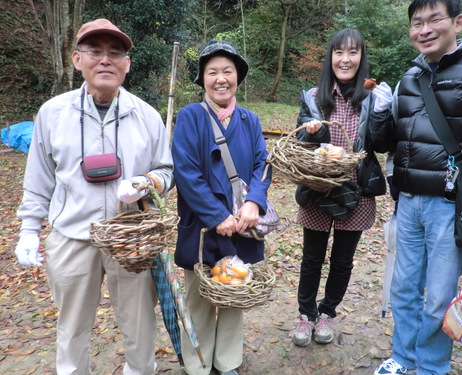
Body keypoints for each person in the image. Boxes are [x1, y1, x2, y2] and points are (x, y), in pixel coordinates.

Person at [14, 18, 174, 375]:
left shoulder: (146, 116)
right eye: (95, 52)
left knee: (139, 327)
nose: (106, 60)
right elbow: (39, 176)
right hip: (72, 237)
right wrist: (28, 229)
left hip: (131, 240)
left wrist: (146, 183)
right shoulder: (52, 114)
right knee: (71, 329)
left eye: (115, 53)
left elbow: (167, 170)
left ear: (127, 64)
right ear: (76, 59)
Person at [373, 0, 462, 374]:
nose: (424, 29)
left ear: (458, 22)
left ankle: (431, 366)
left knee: (439, 297)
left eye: (434, 20)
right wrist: (381, 112)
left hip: (451, 202)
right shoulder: (409, 77)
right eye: (416, 23)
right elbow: (397, 140)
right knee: (403, 289)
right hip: (409, 202)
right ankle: (403, 356)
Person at [171, 40, 271, 375]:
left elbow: (262, 164)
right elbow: (186, 172)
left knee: (235, 294)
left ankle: (227, 362)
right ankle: (198, 365)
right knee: (198, 296)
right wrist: (217, 217)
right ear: (202, 78)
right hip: (201, 225)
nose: (220, 78)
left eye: (227, 71)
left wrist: (255, 202)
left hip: (242, 224)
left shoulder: (250, 120)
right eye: (212, 71)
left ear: (238, 77)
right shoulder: (190, 117)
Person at [292, 28, 394, 347]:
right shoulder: (313, 97)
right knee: (311, 258)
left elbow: (383, 143)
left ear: (361, 57)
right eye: (339, 52)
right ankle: (306, 315)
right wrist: (309, 133)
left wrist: (381, 115)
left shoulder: (373, 96)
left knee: (342, 261)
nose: (345, 59)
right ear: (330, 57)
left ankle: (327, 313)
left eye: (352, 52)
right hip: (318, 190)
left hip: (357, 191)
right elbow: (299, 144)